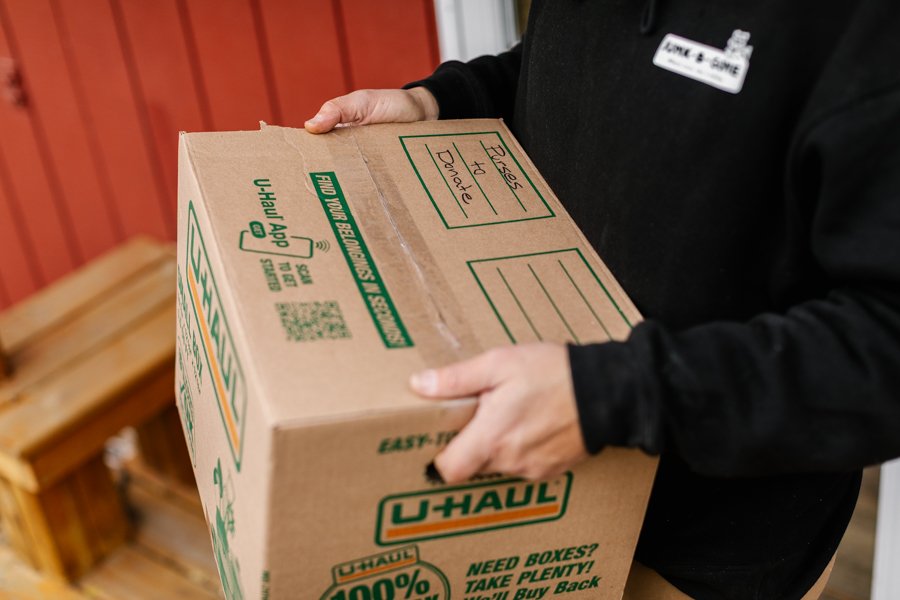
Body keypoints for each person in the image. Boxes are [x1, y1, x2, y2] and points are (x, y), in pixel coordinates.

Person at [305, 1, 900, 598]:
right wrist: (443, 101)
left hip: (708, 546)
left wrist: (613, 395)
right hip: (534, 490)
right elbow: (583, 76)